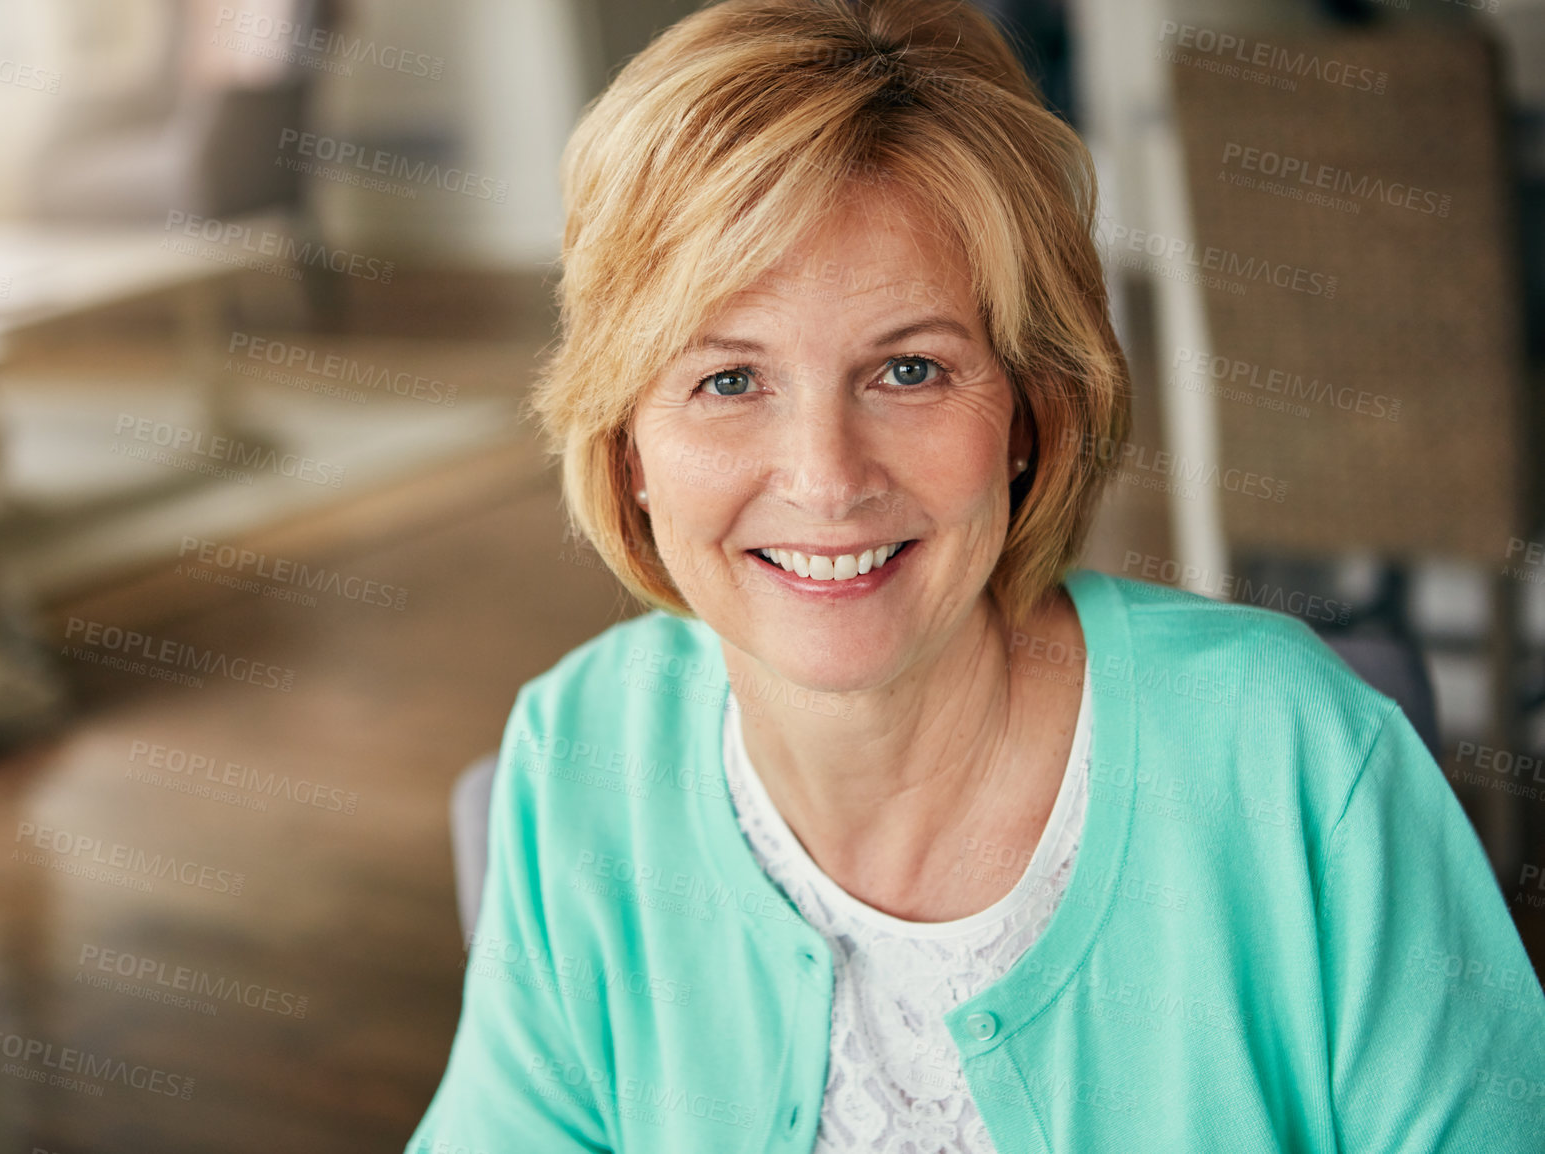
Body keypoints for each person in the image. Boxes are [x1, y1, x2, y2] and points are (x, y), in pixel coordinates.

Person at [408, 1, 1545, 1150]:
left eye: (908, 368)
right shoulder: (576, 757)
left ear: (1026, 412)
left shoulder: (1293, 756)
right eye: (726, 379)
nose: (825, 478)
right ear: (627, 445)